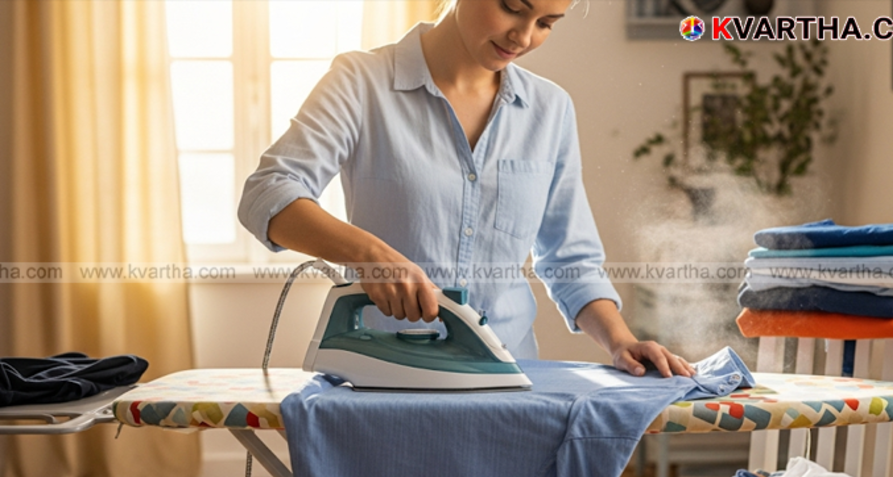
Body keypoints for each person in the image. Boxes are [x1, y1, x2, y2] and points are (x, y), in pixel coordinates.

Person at [238, 0, 695, 379]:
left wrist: (622, 342)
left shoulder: (549, 110)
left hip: (510, 376)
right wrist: (370, 255)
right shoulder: (361, 83)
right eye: (513, 8)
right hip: (378, 378)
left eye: (546, 24)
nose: (524, 36)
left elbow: (570, 259)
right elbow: (268, 192)